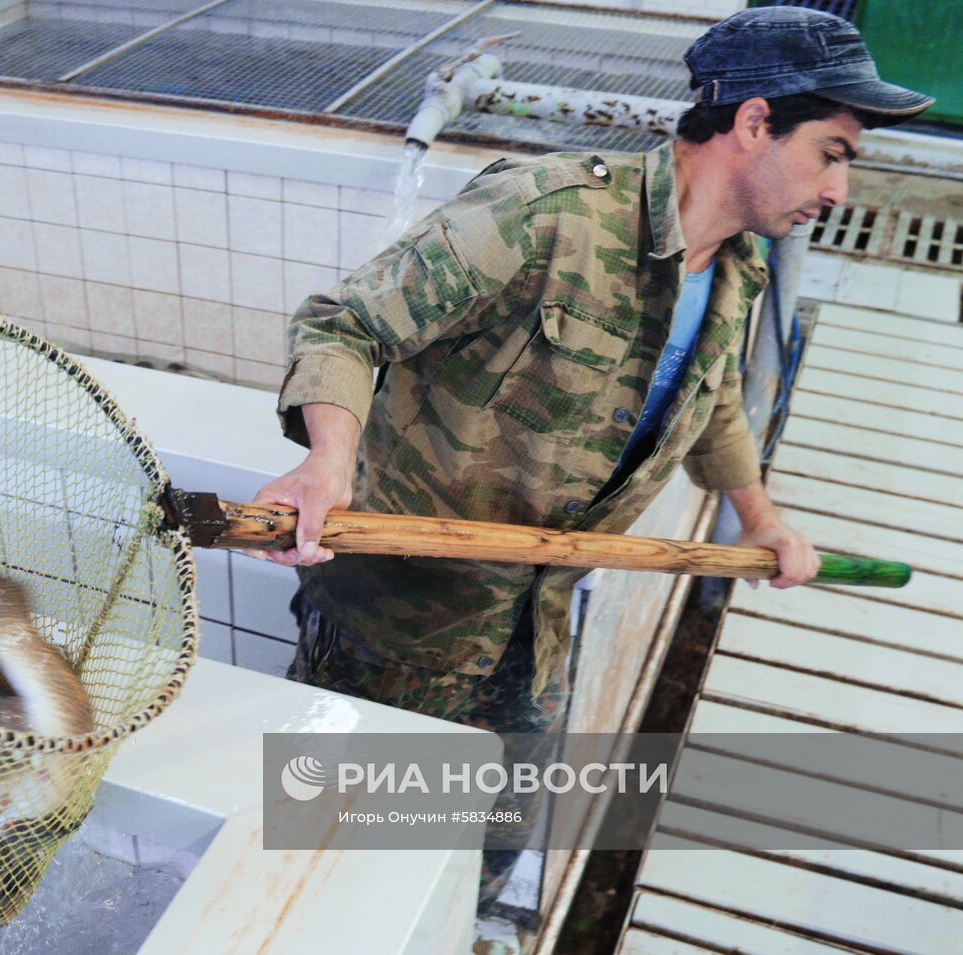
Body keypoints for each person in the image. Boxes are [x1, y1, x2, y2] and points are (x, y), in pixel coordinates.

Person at [249, 7, 934, 917]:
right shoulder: (548, 214)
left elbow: (715, 401)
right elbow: (345, 325)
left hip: (537, 631)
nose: (840, 189)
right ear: (756, 121)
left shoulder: (735, 271)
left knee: (484, 844)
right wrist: (327, 463)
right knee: (337, 853)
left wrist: (763, 521)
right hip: (401, 625)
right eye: (834, 152)